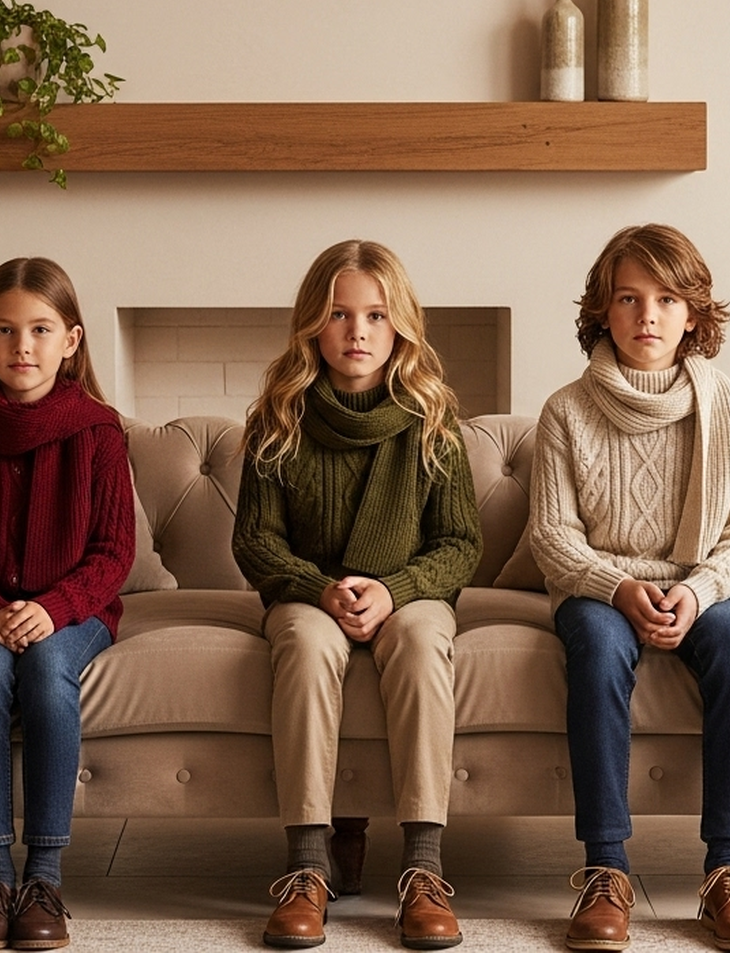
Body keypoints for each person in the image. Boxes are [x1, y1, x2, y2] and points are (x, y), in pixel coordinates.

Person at [529, 224, 730, 952]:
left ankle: (727, 873)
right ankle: (606, 871)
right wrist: (618, 587)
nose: (648, 316)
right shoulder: (566, 411)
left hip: (700, 586)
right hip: (603, 591)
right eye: (629, 299)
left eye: (667, 299)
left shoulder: (724, 407)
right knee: (599, 652)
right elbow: (552, 539)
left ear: (694, 314)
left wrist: (698, 594)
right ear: (602, 311)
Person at [233, 240, 482, 950]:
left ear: (400, 323)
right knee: (308, 649)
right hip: (309, 594)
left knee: (423, 642)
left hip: (409, 592)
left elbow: (461, 543)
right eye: (340, 314)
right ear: (313, 322)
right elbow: (253, 543)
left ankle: (424, 870)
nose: (358, 332)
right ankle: (308, 866)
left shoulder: (434, 420)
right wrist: (321, 588)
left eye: (376, 315)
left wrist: (395, 590)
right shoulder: (277, 419)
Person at [0, 258, 136, 952]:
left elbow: (112, 553)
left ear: (71, 341)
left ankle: (43, 877)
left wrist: (53, 607)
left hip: (72, 613)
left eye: (41, 329)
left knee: (46, 672)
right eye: (4, 330)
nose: (22, 346)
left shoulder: (99, 432)